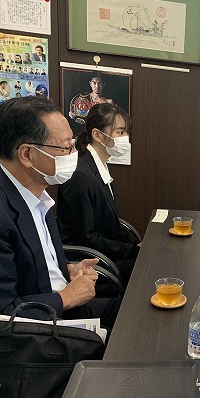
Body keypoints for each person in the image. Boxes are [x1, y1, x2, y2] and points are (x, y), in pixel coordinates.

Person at [0, 97, 119, 328]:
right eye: (66, 147)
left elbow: (36, 259)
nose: (73, 153)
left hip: (56, 302)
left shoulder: (37, 191)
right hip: (37, 329)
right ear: (27, 154)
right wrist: (67, 297)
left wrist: (68, 269)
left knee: (134, 311)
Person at [58, 103, 139, 286]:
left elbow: (110, 224)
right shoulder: (80, 176)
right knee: (146, 266)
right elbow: (87, 238)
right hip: (89, 260)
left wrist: (136, 244)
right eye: (120, 132)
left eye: (126, 132)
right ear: (97, 134)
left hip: (104, 251)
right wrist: (131, 250)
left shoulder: (99, 165)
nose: (125, 138)